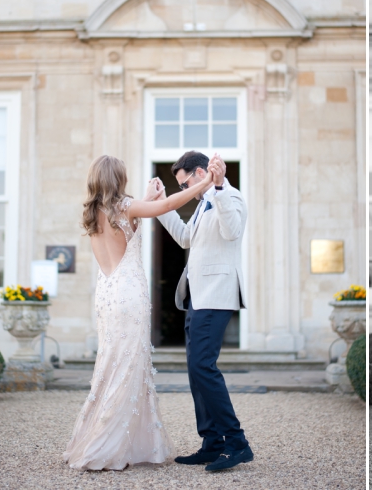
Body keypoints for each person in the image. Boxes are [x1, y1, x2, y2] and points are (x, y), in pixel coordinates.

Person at [64, 154, 215, 470]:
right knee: (128, 364)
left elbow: (137, 215)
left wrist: (148, 198)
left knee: (112, 362)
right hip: (128, 294)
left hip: (106, 292)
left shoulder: (93, 212)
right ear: (118, 179)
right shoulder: (123, 205)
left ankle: (110, 440)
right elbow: (166, 207)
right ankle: (106, 444)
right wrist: (202, 183)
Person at [147, 150, 253, 473]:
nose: (183, 191)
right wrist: (162, 203)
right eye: (178, 187)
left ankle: (237, 443)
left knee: (204, 368)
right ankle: (212, 443)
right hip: (198, 298)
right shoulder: (201, 206)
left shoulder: (229, 197)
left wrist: (218, 188)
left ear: (201, 172)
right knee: (196, 371)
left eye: (183, 184)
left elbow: (232, 231)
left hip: (216, 297)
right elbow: (183, 238)